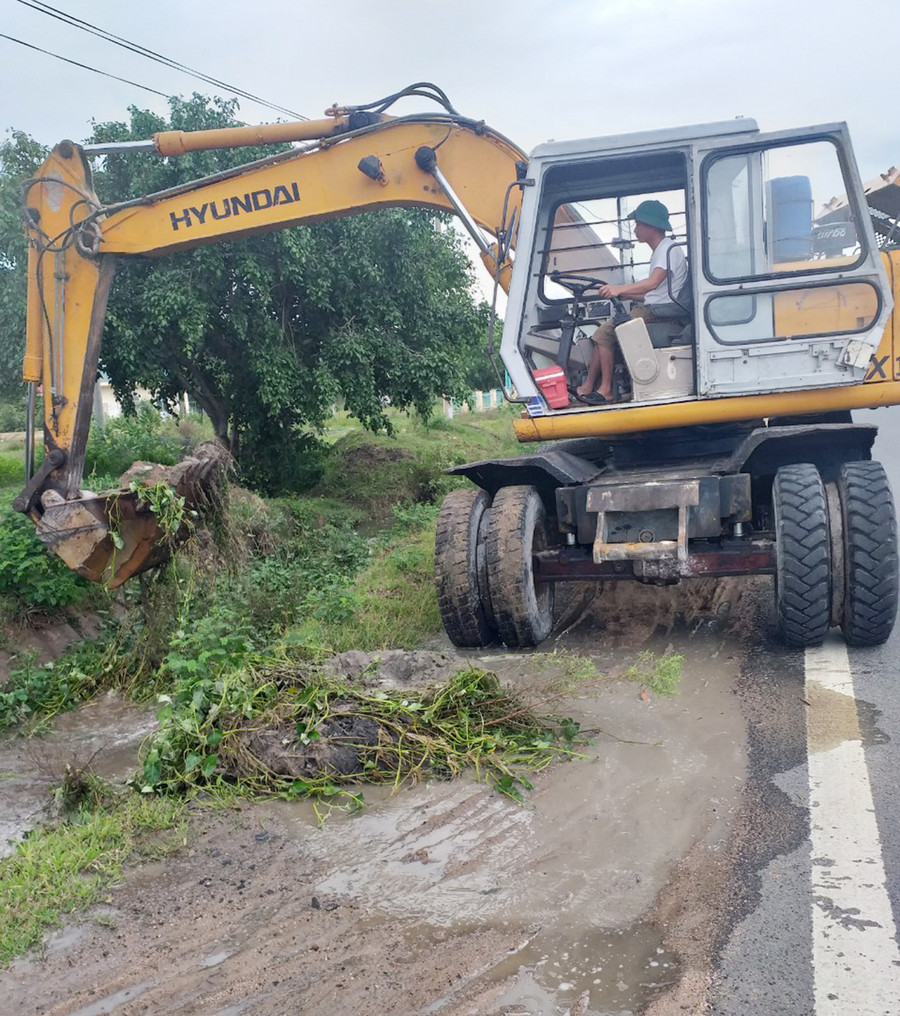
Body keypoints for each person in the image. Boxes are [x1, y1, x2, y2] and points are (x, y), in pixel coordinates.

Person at [575, 199, 688, 404]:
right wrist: (625, 295)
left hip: (659, 311)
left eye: (638, 224)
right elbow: (654, 292)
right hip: (655, 306)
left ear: (651, 225)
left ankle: (604, 389)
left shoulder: (667, 249)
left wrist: (619, 288)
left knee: (603, 334)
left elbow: (652, 284)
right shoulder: (663, 250)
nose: (635, 229)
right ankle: (589, 385)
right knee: (604, 333)